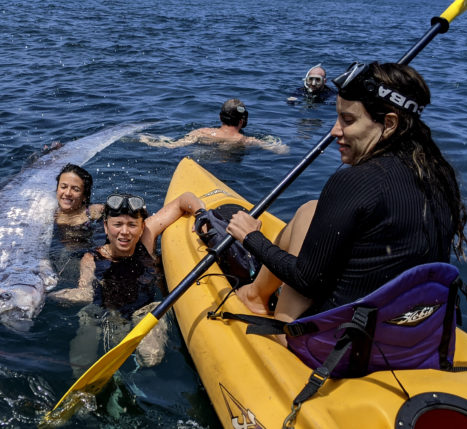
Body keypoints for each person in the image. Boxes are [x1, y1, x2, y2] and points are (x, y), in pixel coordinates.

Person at [227, 62, 467, 345]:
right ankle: (257, 294)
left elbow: (307, 280)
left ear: (389, 124)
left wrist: (252, 238)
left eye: (348, 120)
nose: (334, 131)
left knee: (304, 258)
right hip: (413, 340)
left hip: (340, 348)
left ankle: (272, 314)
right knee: (310, 209)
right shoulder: (440, 176)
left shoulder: (354, 181)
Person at [50, 192, 205, 373]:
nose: (125, 232)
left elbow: (183, 200)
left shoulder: (146, 238)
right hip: (108, 311)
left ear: (141, 227)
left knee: (151, 356)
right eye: (118, 225)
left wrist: (201, 214)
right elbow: (85, 290)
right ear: (106, 227)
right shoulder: (91, 258)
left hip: (146, 310)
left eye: (132, 225)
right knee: (86, 337)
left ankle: (136, 375)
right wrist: (52, 296)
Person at [139, 99, 288, 154]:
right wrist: (277, 144)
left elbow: (173, 146)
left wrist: (147, 140)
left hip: (201, 157)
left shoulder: (202, 132)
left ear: (220, 117)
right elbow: (282, 151)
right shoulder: (246, 140)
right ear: (242, 122)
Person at [54, 164, 104, 245]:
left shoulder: (93, 212)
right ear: (57, 189)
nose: (67, 193)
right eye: (63, 187)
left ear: (84, 196)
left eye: (75, 189)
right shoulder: (49, 213)